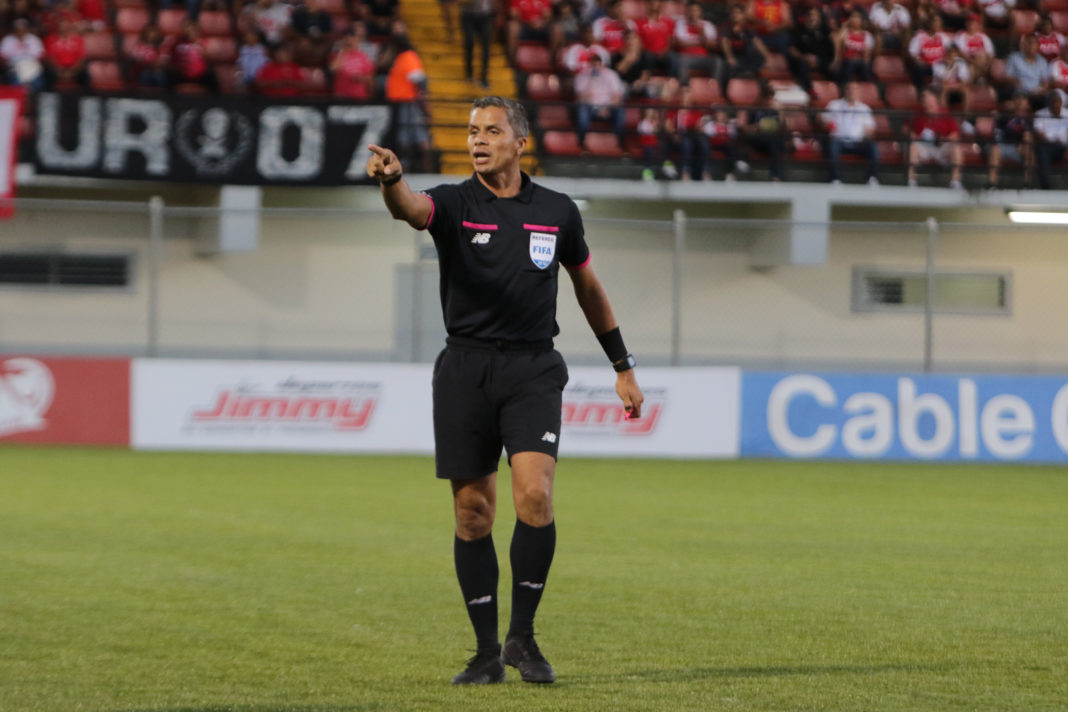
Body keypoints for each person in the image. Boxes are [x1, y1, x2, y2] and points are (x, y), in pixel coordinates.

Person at [364, 95, 644, 686]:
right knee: (473, 513)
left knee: (535, 496)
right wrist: (392, 180)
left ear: (520, 142)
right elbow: (410, 208)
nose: (478, 140)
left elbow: (588, 288)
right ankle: (486, 653)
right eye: (472, 131)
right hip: (465, 369)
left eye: (491, 131)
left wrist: (622, 364)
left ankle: (523, 637)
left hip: (533, 368)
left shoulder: (558, 211)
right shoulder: (453, 202)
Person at [820, 80, 879, 185]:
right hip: (839, 140)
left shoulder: (864, 108)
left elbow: (871, 129)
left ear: (858, 92)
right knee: (832, 144)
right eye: (849, 88)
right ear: (844, 90)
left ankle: (872, 178)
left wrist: (868, 133)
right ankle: (835, 179)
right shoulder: (834, 105)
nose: (852, 91)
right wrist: (824, 123)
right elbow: (822, 120)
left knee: (872, 145)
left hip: (858, 142)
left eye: (854, 89)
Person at [908, 88, 964, 188]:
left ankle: (955, 181)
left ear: (935, 99)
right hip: (925, 146)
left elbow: (955, 134)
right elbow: (910, 132)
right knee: (913, 147)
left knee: (956, 148)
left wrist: (944, 139)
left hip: (941, 146)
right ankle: (911, 180)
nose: (926, 100)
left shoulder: (945, 113)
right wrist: (917, 137)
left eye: (928, 97)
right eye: (924, 98)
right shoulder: (918, 114)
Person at [573, 52, 626, 148]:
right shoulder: (582, 75)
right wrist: (591, 79)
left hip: (608, 107)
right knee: (582, 109)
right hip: (590, 107)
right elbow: (580, 98)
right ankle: (582, 142)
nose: (596, 66)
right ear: (589, 64)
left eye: (597, 63)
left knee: (620, 110)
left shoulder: (611, 74)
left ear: (602, 63)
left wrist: (606, 108)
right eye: (593, 63)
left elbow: (617, 96)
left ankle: (620, 142)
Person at [986, 91, 1033, 188]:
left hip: (1017, 148)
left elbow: (1028, 137)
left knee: (1029, 150)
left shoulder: (1027, 118)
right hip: (1003, 146)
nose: (1020, 101)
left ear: (1026, 103)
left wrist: (1023, 144)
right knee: (995, 148)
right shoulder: (1004, 115)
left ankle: (1027, 184)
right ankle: (992, 184)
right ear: (1013, 101)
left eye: (1022, 99)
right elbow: (996, 134)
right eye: (1017, 99)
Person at [674, 0, 721, 87]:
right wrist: (700, 42)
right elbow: (680, 43)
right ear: (686, 12)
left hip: (703, 58)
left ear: (700, 12)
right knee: (680, 61)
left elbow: (710, 45)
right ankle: (684, 88)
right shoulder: (680, 23)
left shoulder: (708, 25)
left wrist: (700, 30)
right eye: (690, 10)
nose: (693, 13)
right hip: (686, 57)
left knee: (717, 61)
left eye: (695, 10)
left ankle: (713, 88)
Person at [1033, 89, 1068, 188]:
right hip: (1047, 145)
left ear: (1061, 102)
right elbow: (1039, 134)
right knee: (1041, 151)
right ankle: (1046, 187)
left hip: (1064, 146)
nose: (1055, 105)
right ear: (1049, 103)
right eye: (1053, 102)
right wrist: (1053, 139)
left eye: (1057, 102)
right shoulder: (1039, 114)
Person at [1005, 33, 1051, 109]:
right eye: (1028, 43)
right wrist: (1015, 81)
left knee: (1051, 98)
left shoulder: (1042, 61)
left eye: (1033, 43)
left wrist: (1041, 90)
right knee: (1019, 100)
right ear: (1022, 45)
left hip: (1037, 93)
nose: (1030, 45)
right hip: (1020, 92)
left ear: (1037, 45)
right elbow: (1008, 76)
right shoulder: (1014, 58)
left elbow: (1045, 82)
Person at [460, 0, 494, 88]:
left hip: (484, 14)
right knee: (469, 43)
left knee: (486, 47)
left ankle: (484, 77)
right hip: (468, 14)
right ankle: (469, 73)